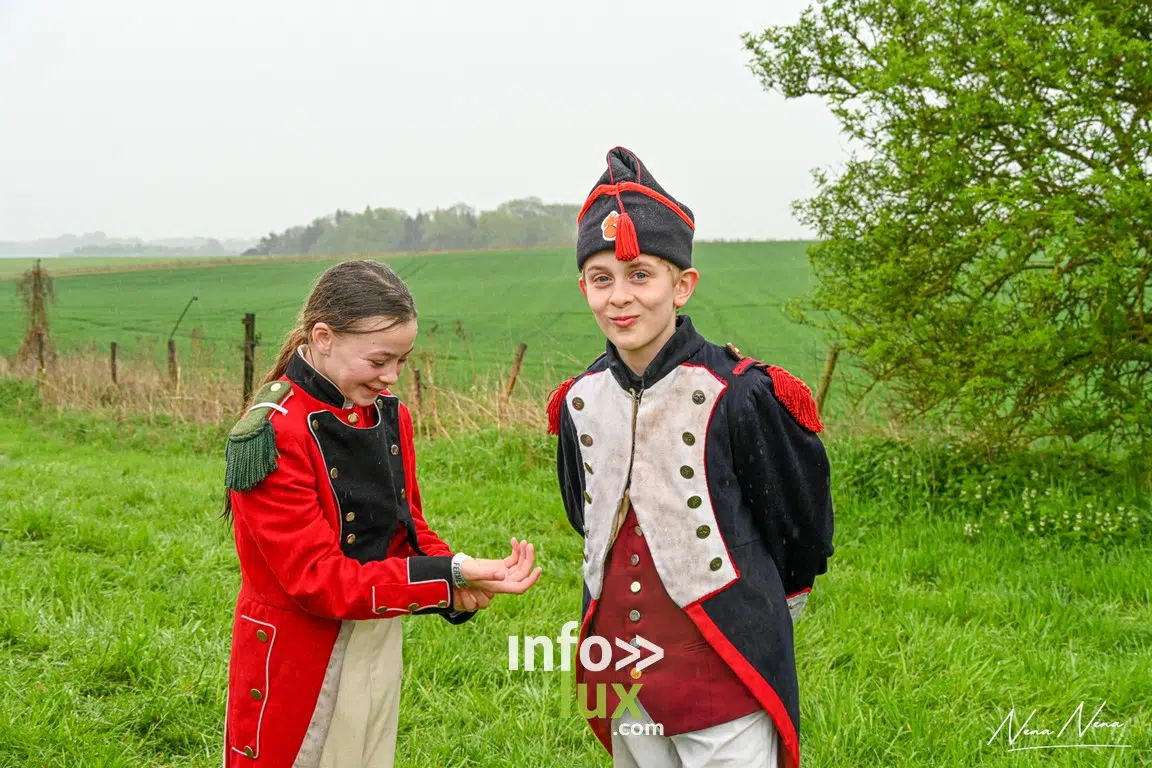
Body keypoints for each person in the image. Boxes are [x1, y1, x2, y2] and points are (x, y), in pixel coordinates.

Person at [548, 148, 834, 768]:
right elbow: (585, 514)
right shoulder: (579, 400)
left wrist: (766, 608)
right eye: (601, 278)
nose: (620, 297)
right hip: (622, 664)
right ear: (583, 287)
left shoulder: (743, 393)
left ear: (682, 285)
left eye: (640, 275)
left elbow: (798, 524)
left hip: (724, 664)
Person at [221, 260, 541, 768]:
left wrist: (458, 575)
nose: (391, 377)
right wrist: (446, 577)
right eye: (378, 360)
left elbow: (407, 528)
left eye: (402, 361)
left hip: (378, 634)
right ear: (323, 338)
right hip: (298, 656)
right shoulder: (272, 433)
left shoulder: (389, 414)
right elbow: (317, 581)